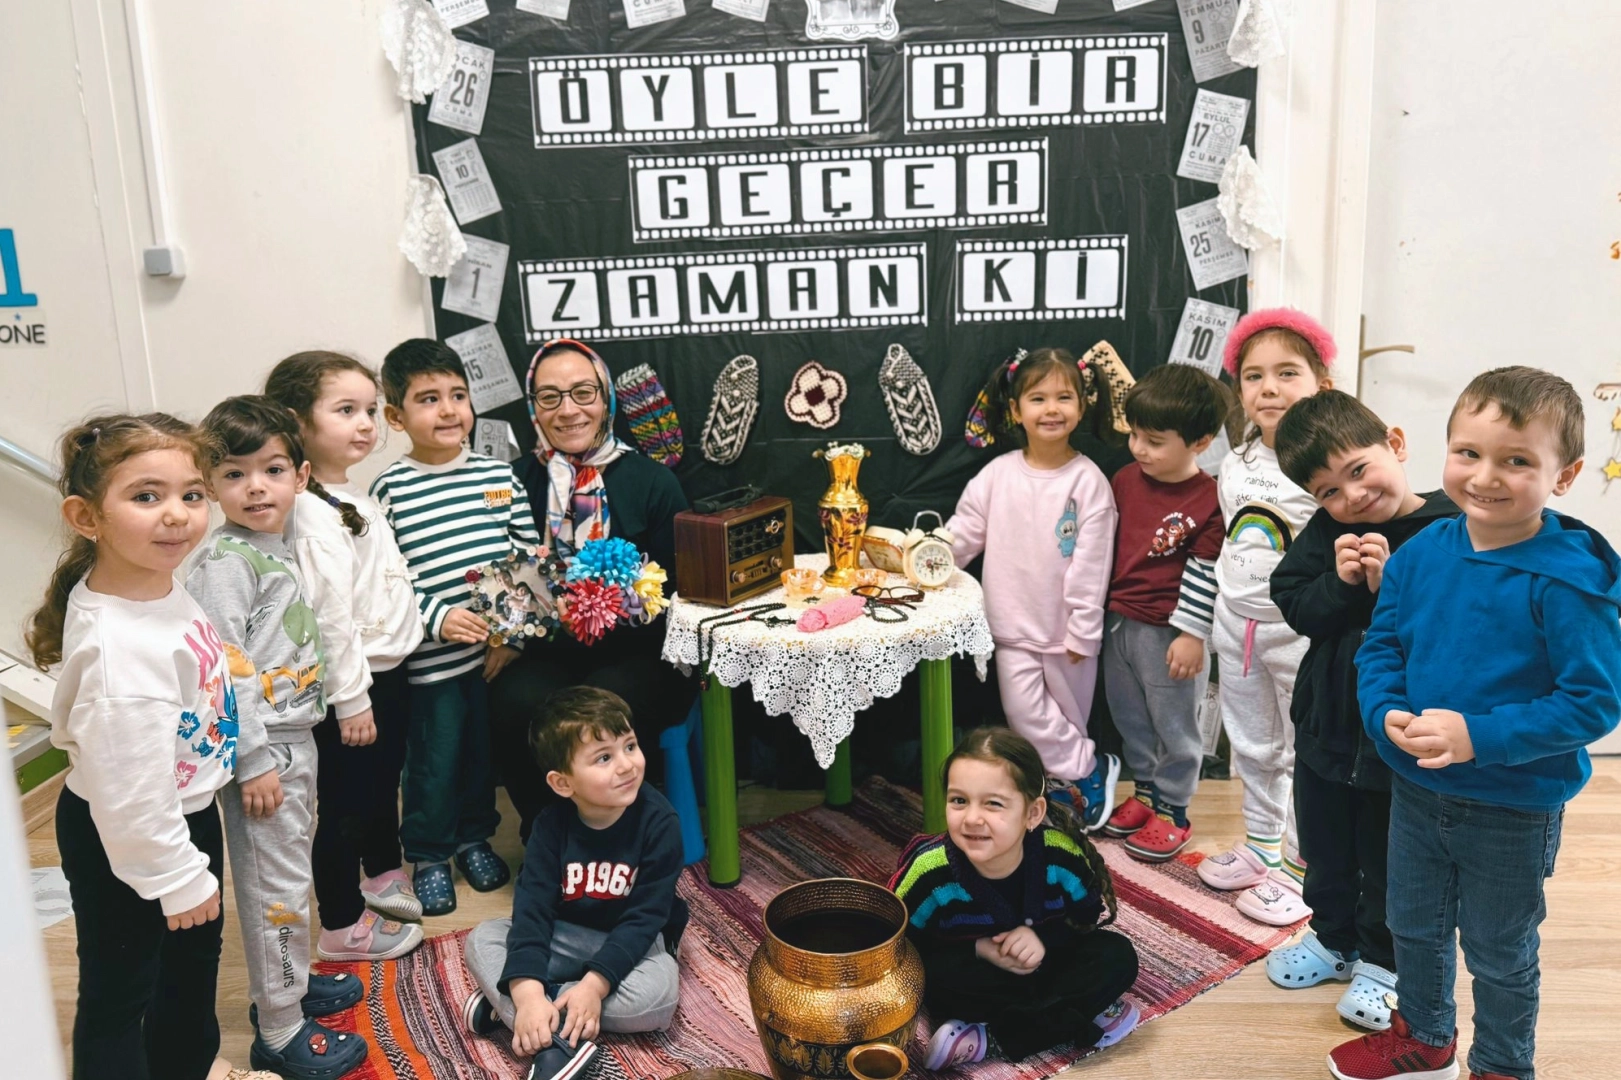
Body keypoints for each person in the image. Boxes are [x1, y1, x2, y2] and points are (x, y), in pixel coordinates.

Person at [1329, 368, 1621, 1080]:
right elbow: (1382, 647)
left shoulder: (1567, 581)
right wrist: (1383, 713)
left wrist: (1476, 737)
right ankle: (1426, 1038)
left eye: (1515, 460)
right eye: (1468, 453)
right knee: (1412, 926)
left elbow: (1592, 702)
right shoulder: (1421, 553)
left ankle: (1501, 1065)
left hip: (1513, 807)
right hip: (1416, 791)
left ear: (1564, 475)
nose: (1484, 476)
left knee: (1498, 949)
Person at [27, 414, 277, 1080]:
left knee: (188, 969)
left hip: (180, 812)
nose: (177, 514)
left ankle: (187, 1066)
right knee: (122, 991)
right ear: (86, 517)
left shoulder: (155, 586)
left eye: (191, 494)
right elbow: (131, 795)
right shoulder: (121, 655)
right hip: (133, 832)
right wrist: (175, 876)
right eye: (146, 496)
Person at [186, 397, 368, 1079]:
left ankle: (289, 988)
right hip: (266, 752)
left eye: (272, 470)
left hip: (294, 739)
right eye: (235, 474)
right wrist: (254, 759)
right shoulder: (225, 562)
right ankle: (281, 1028)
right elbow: (225, 667)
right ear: (211, 485)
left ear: (300, 475)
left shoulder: (272, 545)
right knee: (276, 887)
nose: (256, 487)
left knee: (289, 875)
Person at [1264, 390, 1458, 1031]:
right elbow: (1294, 602)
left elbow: (1453, 630)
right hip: (1325, 726)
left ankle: (1385, 962)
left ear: (1395, 445)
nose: (1351, 496)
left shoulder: (1448, 526)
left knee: (1389, 858)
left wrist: (1391, 587)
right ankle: (1333, 939)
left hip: (1397, 738)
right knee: (1324, 847)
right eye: (1328, 491)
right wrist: (1339, 584)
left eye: (1358, 469)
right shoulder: (1329, 533)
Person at [487, 338, 692, 838]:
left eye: (583, 392)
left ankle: (619, 837)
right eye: (550, 396)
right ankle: (548, 837)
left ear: (606, 398)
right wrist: (509, 632)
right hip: (546, 650)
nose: (568, 410)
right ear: (534, 407)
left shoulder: (652, 482)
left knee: (603, 708)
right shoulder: (514, 481)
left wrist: (621, 604)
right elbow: (497, 568)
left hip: (637, 652)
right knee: (514, 701)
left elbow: (682, 593)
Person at [371, 339, 543, 915]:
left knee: (479, 758)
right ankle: (429, 854)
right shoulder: (390, 490)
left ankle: (473, 839)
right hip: (431, 665)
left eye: (458, 395)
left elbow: (526, 560)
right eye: (428, 399)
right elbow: (385, 581)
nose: (448, 410)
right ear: (396, 416)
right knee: (433, 762)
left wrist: (511, 637)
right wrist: (438, 616)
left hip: (492, 659)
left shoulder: (499, 478)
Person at [266, 351, 427, 962]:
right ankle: (339, 925)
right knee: (344, 805)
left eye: (369, 410)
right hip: (355, 687)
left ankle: (381, 876)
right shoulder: (311, 512)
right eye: (345, 410)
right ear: (296, 419)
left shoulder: (343, 492)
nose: (366, 423)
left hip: (386, 673)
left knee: (380, 787)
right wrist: (352, 699)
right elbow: (328, 618)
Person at [461, 687, 686, 1080]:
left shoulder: (659, 822)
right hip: (565, 938)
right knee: (483, 938)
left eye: (630, 746)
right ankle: (544, 1017)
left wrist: (594, 988)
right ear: (563, 783)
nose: (626, 765)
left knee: (659, 997)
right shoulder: (550, 828)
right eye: (604, 757)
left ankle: (524, 1013)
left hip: (632, 944)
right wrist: (528, 993)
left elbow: (644, 919)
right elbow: (532, 913)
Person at [946, 347, 1124, 830]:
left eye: (1064, 397)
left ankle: (1066, 785)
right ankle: (1088, 768)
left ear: (1081, 406)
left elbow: (1091, 566)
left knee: (1069, 718)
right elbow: (963, 533)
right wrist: (926, 558)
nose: (1051, 409)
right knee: (1026, 717)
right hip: (1012, 626)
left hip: (1069, 632)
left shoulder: (1088, 482)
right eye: (1038, 398)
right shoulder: (998, 474)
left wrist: (1083, 629)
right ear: (1015, 408)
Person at [889, 726, 1140, 1069]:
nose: (972, 818)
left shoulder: (1060, 857)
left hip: (1047, 964)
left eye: (993, 804)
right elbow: (900, 945)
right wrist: (978, 949)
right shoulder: (929, 872)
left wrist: (1041, 940)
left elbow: (1085, 918)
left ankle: (991, 1039)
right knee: (933, 978)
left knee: (1117, 956)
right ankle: (1078, 1015)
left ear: (1032, 813)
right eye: (959, 800)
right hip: (981, 979)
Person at [1195, 308, 1332, 926]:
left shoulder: (1328, 464)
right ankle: (1261, 847)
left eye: (1287, 373)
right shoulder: (1236, 462)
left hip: (1299, 634)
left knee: (1306, 751)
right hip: (1237, 627)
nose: (1269, 388)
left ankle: (1304, 868)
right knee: (1252, 744)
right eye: (1254, 376)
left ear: (1321, 383)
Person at [1099, 363, 1228, 860]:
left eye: (1154, 441)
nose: (1138, 448)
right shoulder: (1125, 480)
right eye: (1134, 434)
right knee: (1130, 717)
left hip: (1171, 634)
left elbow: (1207, 570)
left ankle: (1174, 809)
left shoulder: (1210, 498)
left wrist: (1193, 634)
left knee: (1175, 725)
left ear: (1200, 441)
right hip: (1120, 622)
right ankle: (1147, 793)